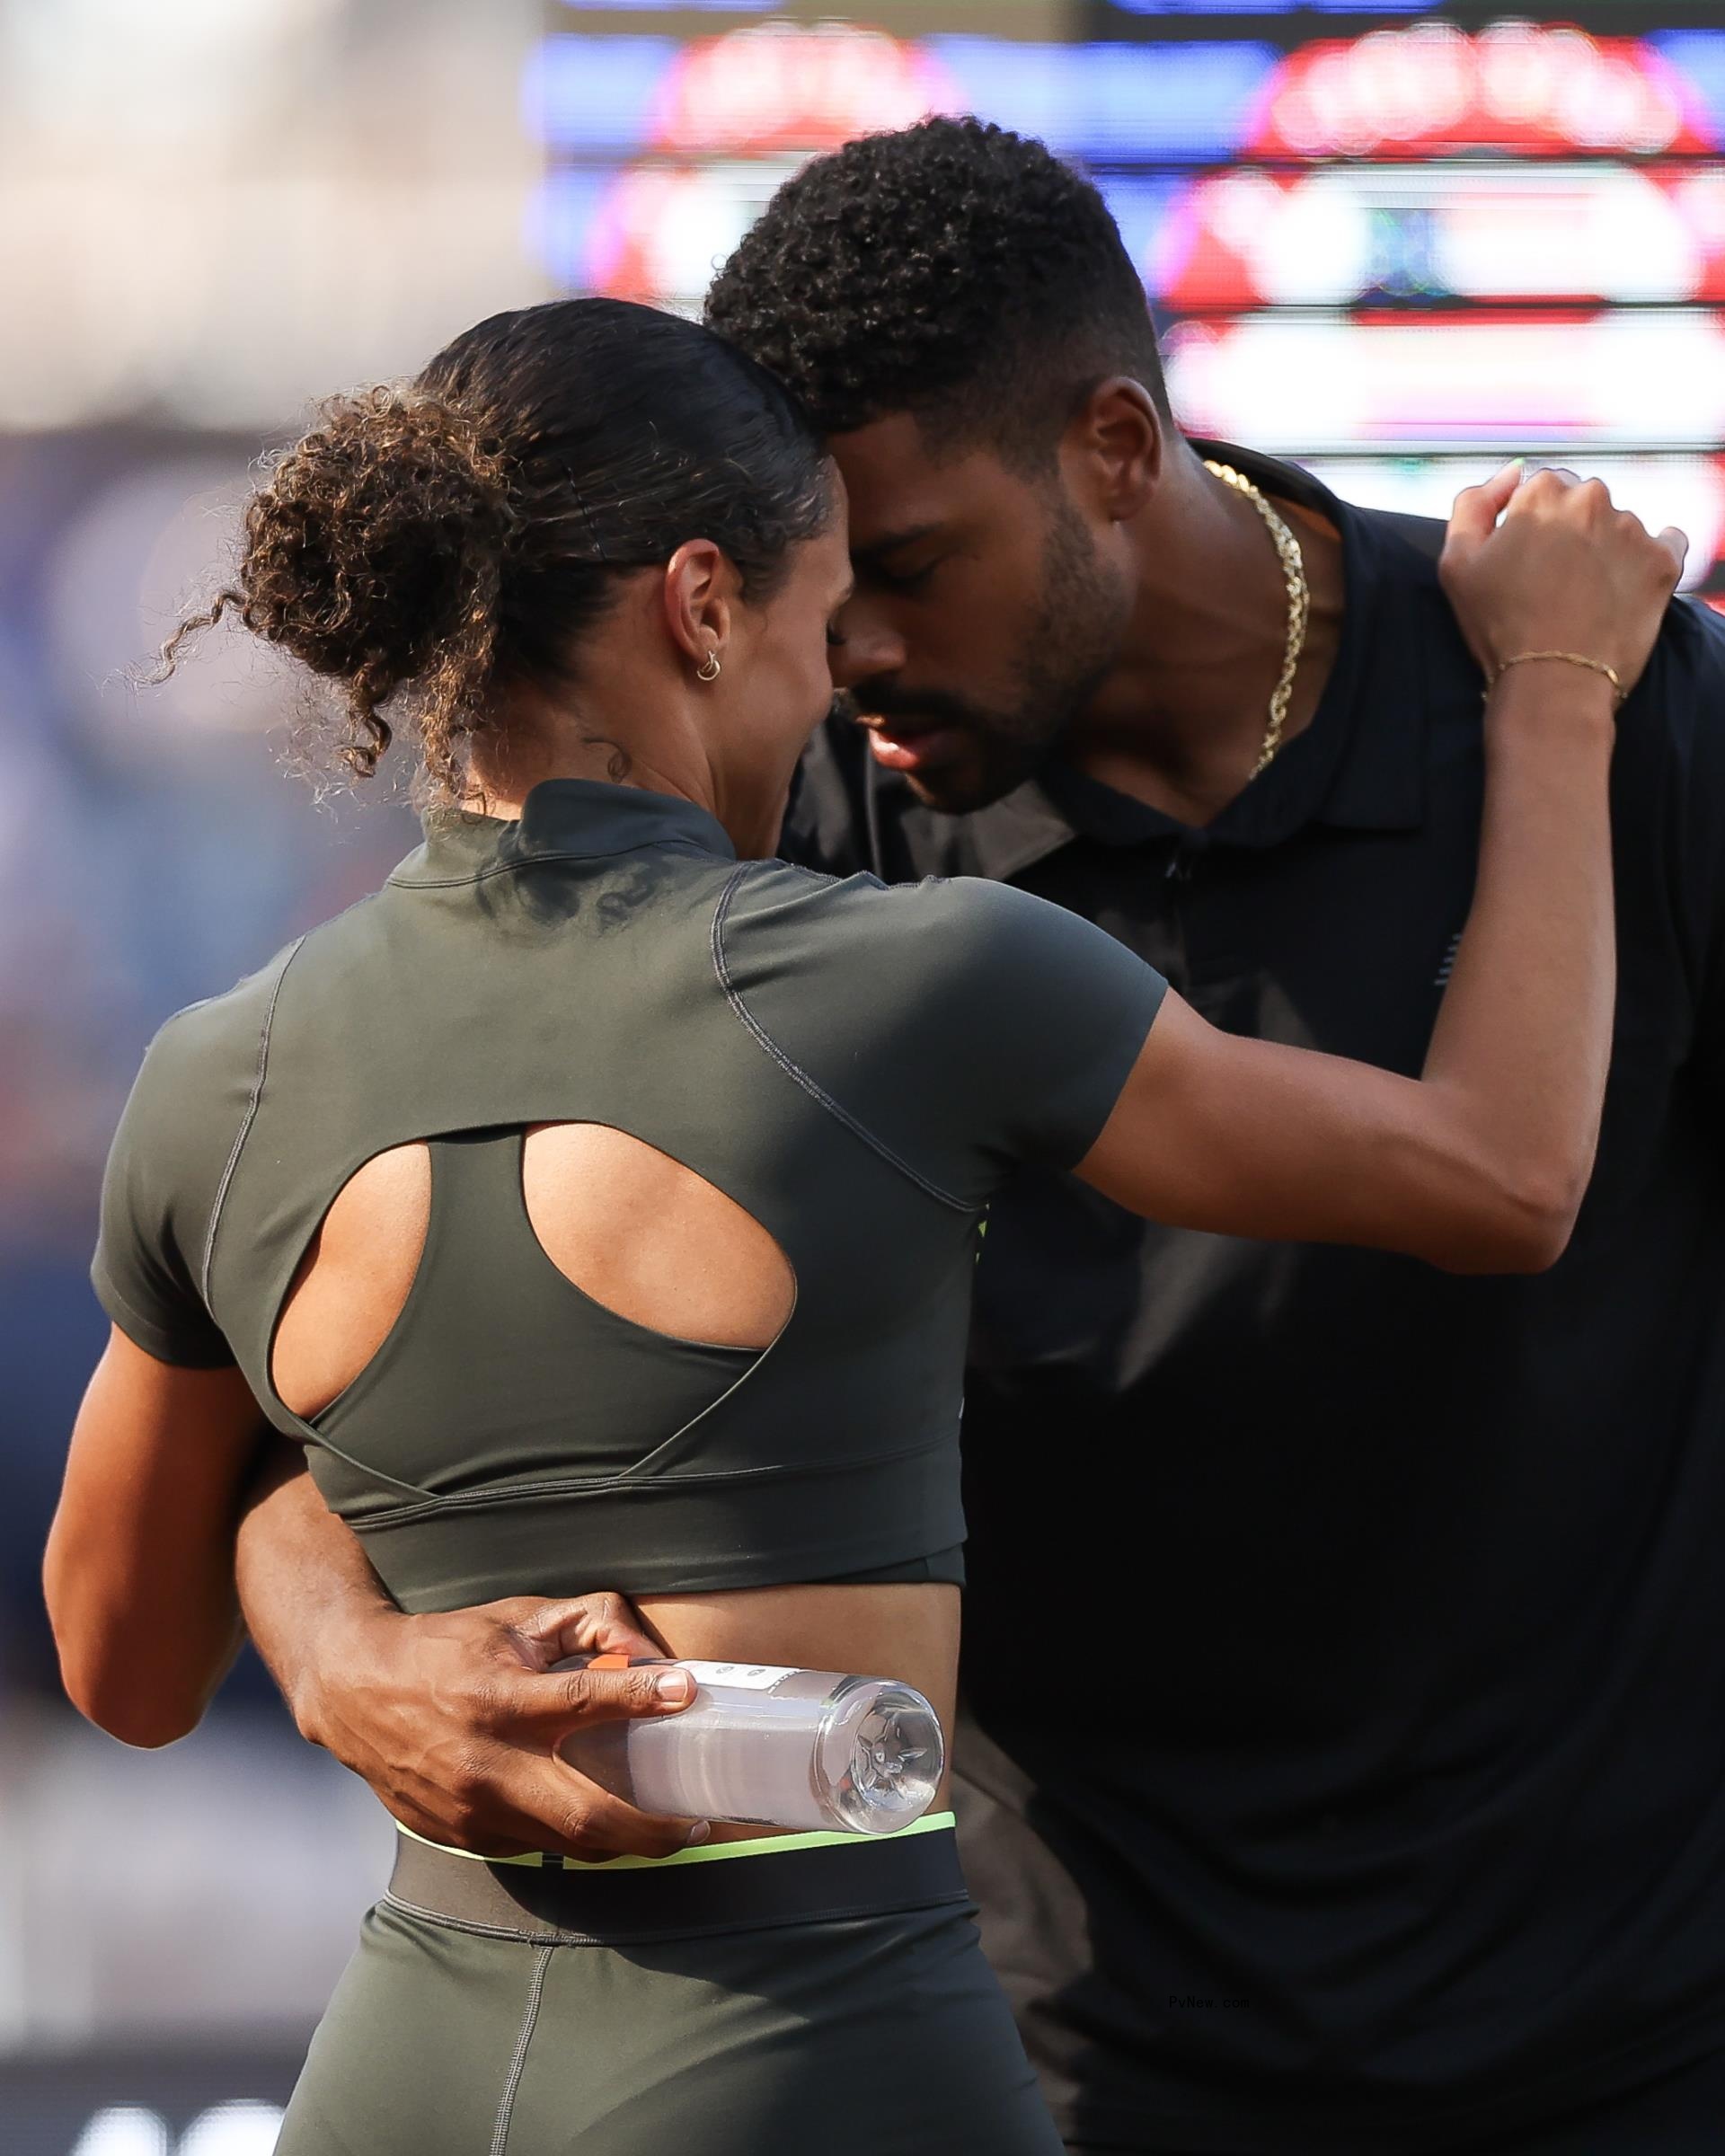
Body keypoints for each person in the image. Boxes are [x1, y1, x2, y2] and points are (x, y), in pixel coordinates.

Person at [200, 120, 1725, 2155]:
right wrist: (347, 1654)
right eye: (821, 594)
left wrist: (1557, 701)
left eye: (906, 570)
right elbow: (333, 1423)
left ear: (1114, 444)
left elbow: (1503, 1179)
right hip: (1051, 2054)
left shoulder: (1607, 714)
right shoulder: (789, 825)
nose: (858, 659)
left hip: (1634, 2037)